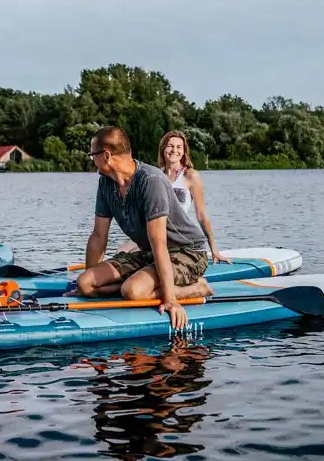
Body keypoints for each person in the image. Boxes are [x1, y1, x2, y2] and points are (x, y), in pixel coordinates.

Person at [75, 126, 212, 329]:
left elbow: (159, 242)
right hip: (150, 252)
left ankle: (196, 287)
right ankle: (138, 283)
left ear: (106, 156)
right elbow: (98, 236)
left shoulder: (151, 180)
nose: (91, 159)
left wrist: (170, 299)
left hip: (187, 251)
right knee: (85, 283)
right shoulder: (105, 183)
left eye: (92, 155)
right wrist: (89, 286)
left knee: (133, 292)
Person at [116, 130, 230, 264]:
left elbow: (202, 216)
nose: (174, 150)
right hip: (152, 232)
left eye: (179, 147)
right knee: (121, 251)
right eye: (170, 146)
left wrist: (214, 250)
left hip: (175, 235)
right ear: (163, 148)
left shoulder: (190, 176)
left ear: (184, 152)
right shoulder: (154, 175)